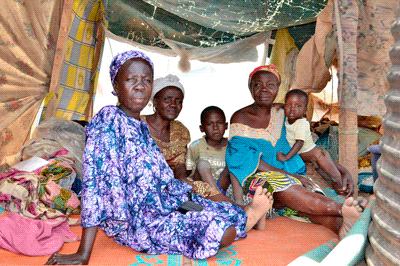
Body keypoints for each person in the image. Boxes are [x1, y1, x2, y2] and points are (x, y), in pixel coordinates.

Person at [45, 51, 273, 265]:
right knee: (221, 231)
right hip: (142, 218)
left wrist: (186, 198)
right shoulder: (108, 120)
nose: (139, 87)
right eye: (130, 79)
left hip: (167, 201)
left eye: (146, 80)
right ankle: (246, 218)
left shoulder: (140, 126)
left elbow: (162, 179)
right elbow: (95, 185)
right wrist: (83, 254)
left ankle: (247, 215)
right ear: (116, 85)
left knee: (222, 210)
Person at [225, 64, 364, 240]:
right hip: (255, 182)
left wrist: (341, 170)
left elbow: (308, 148)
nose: (264, 89)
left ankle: (347, 229)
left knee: (313, 208)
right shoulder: (240, 118)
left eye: (270, 85)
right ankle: (342, 208)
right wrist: (294, 178)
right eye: (258, 84)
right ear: (250, 87)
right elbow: (251, 161)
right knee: (295, 191)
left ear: (278, 88)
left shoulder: (286, 113)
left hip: (294, 179)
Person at [276, 89, 353, 196]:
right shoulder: (288, 119)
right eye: (289, 105)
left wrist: (286, 157)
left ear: (305, 111)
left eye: (298, 106)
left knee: (336, 178)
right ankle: (339, 193)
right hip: (314, 157)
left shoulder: (301, 124)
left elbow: (299, 143)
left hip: (318, 155)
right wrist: (278, 105)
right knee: (330, 176)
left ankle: (346, 197)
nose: (292, 109)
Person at [186, 106, 231, 193]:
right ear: (202, 129)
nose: (215, 128)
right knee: (202, 164)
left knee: (232, 163)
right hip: (202, 189)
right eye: (210, 124)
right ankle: (217, 196)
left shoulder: (232, 146)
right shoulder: (196, 146)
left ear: (226, 126)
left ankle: (217, 195)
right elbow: (189, 172)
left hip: (223, 187)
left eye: (219, 123)